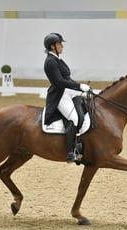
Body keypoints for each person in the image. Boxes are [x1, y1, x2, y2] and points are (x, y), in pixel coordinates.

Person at [43, 32, 90, 163]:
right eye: (59, 44)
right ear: (52, 46)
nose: (62, 46)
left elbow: (67, 79)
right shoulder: (50, 62)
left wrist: (79, 89)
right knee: (73, 118)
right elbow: (59, 82)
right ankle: (70, 152)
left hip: (67, 92)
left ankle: (81, 143)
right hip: (59, 95)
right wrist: (79, 85)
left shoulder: (57, 59)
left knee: (86, 106)